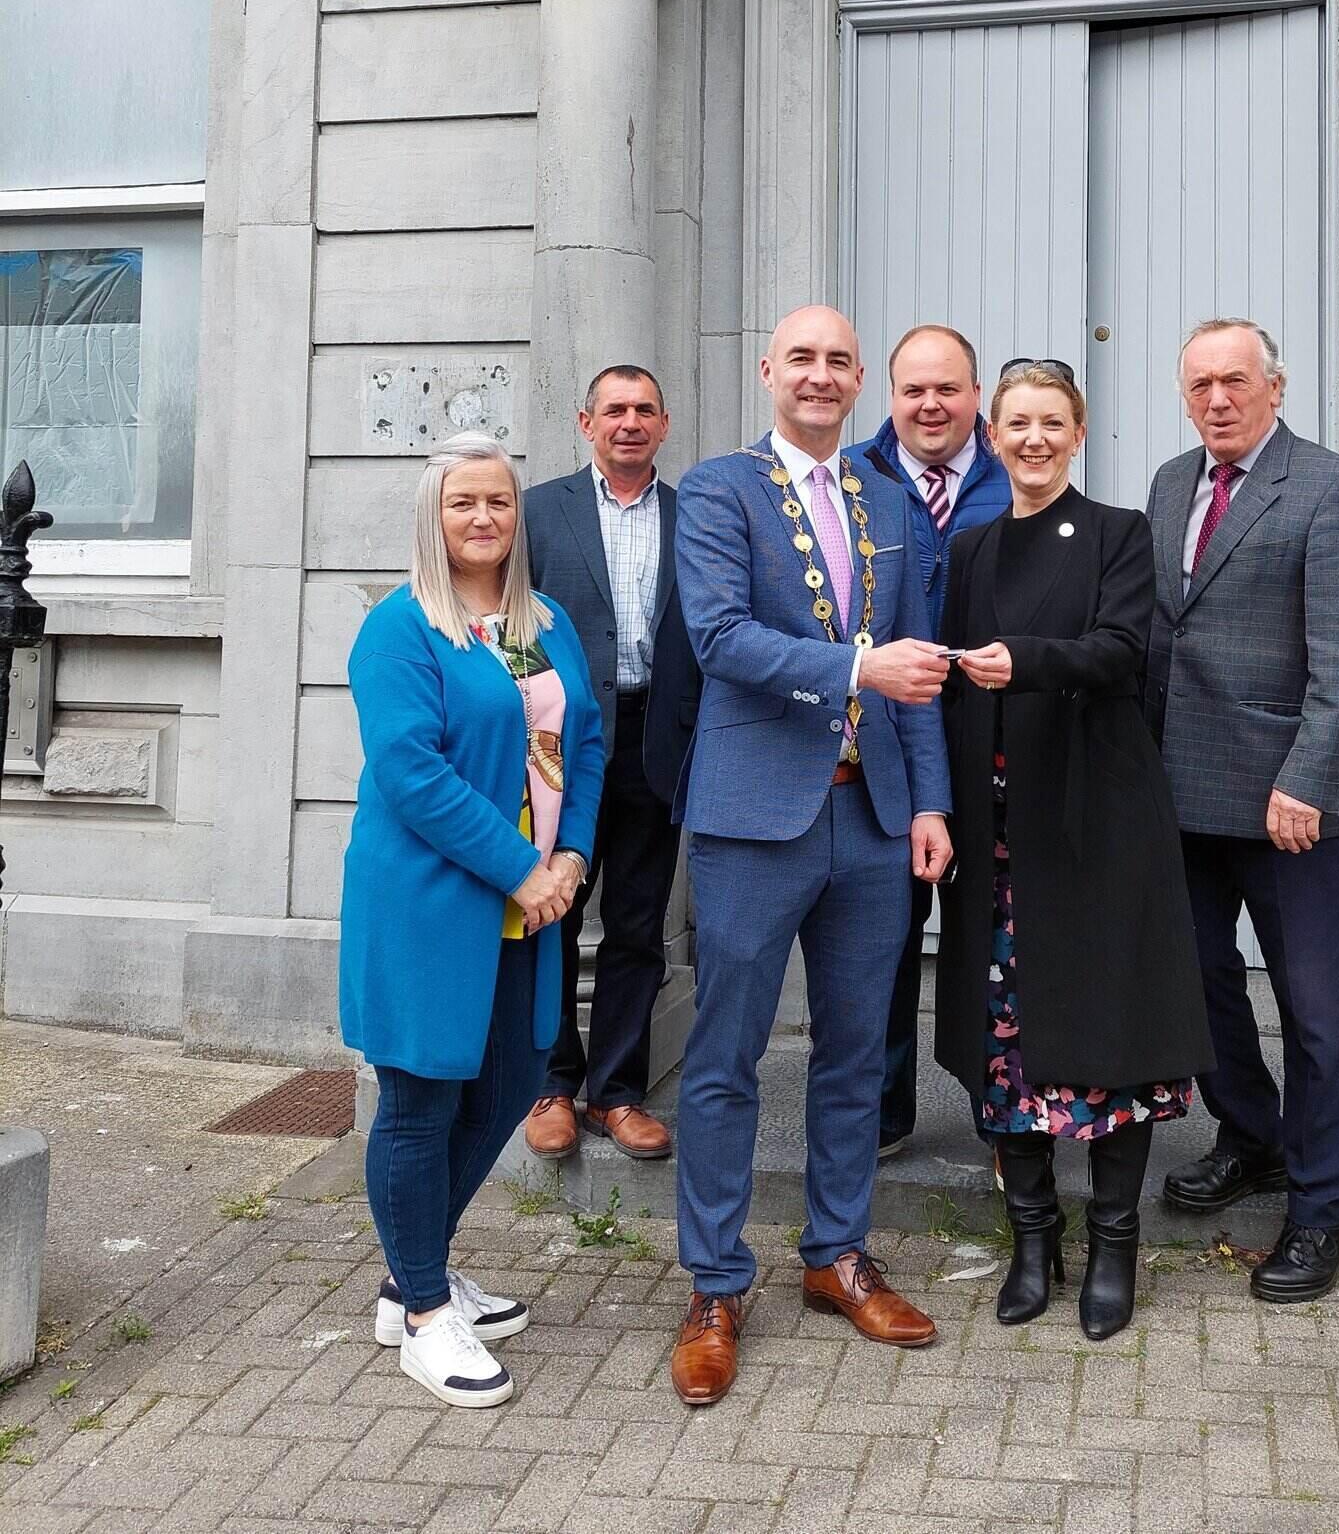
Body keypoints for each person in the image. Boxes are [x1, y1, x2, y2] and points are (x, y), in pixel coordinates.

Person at [667, 305, 953, 1406]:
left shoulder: (888, 499)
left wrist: (930, 804)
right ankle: (714, 1282)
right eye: (804, 360)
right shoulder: (719, 493)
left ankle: (837, 1255)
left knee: (855, 1056)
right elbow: (722, 638)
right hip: (753, 819)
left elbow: (918, 669)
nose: (822, 377)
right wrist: (853, 673)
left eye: (841, 361)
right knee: (726, 1058)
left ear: (858, 378)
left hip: (873, 821)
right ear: (768, 373)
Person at [935, 359, 1213, 1342]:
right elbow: (946, 693)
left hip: (1096, 832)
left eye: (1052, 421)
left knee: (1114, 1042)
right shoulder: (967, 552)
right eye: (1017, 422)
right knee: (1002, 1046)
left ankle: (1115, 1246)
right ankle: (1030, 1239)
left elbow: (1122, 649)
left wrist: (1031, 663)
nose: (1034, 438)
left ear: (1079, 431)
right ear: (993, 433)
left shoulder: (1117, 534)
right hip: (999, 836)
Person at [340, 431, 606, 1406]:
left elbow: (586, 739)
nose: (485, 518)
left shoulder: (546, 622)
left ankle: (411, 1272)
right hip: (435, 902)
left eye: (499, 501)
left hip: (533, 903)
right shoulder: (402, 629)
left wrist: (571, 855)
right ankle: (419, 1313)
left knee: (507, 1082)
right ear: (433, 515)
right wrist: (519, 870)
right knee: (419, 1100)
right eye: (464, 503)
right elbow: (413, 774)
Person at [1145, 319, 1339, 1304]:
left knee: (1317, 1014)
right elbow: (1164, 640)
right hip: (1184, 798)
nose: (1217, 399)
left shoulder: (1332, 489)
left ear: (1274, 387)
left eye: (1234, 381)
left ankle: (1328, 1202)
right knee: (1203, 992)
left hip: (1292, 807)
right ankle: (1252, 1139)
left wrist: (1308, 779)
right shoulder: (1169, 486)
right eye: (1200, 383)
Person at [517, 364, 699, 1163]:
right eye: (614, 410)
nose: (629, 423)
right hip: (559, 742)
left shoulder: (695, 514)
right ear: (585, 422)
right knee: (549, 913)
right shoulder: (537, 512)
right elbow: (506, 618)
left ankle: (615, 1093)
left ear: (664, 425)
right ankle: (550, 1083)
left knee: (637, 920)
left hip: (656, 737)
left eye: (644, 411)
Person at [849, 325, 1011, 1159]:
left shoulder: (1016, 476)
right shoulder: (851, 479)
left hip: (990, 746)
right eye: (914, 390)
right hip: (884, 745)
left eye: (947, 388)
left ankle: (1000, 1105)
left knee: (989, 935)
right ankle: (881, 1114)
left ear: (975, 395)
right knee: (886, 936)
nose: (931, 405)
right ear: (890, 395)